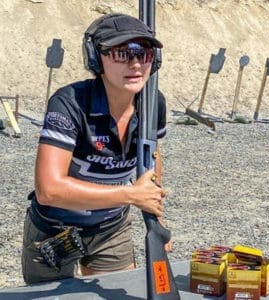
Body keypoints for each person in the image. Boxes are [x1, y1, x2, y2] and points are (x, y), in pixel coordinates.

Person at [22, 13, 167, 284]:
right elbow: (49, 190)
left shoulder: (153, 103)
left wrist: (156, 218)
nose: (135, 63)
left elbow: (151, 157)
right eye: (122, 53)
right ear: (95, 57)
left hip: (112, 228)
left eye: (145, 53)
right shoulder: (69, 102)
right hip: (54, 232)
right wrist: (131, 195)